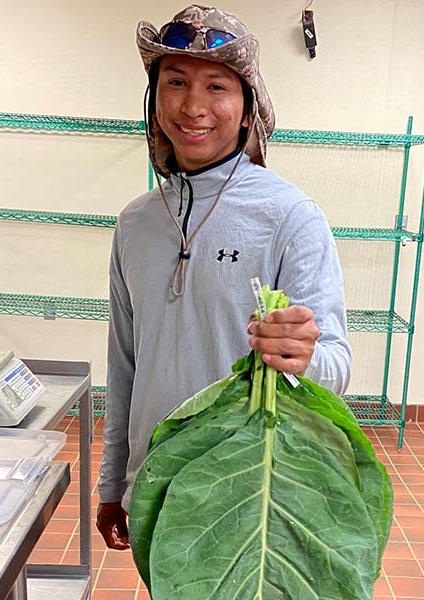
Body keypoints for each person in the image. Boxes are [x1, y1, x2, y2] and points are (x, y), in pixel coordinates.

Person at [97, 4, 352, 551]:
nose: (193, 106)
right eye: (176, 82)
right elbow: (124, 365)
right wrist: (112, 482)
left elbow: (336, 367)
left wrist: (303, 358)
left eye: (217, 86)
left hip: (255, 494)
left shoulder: (290, 217)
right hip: (157, 486)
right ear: (155, 98)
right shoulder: (135, 223)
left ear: (246, 108)